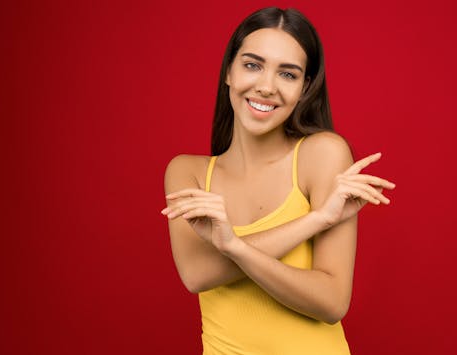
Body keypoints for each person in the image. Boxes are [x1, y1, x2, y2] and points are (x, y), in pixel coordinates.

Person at [161, 7, 395, 355]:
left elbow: (331, 303)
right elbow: (197, 275)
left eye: (288, 74)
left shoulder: (323, 154)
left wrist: (236, 245)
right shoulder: (188, 172)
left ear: (304, 89)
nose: (266, 86)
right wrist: (315, 220)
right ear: (229, 71)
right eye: (252, 65)